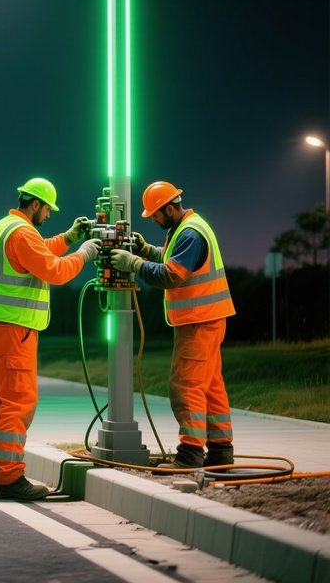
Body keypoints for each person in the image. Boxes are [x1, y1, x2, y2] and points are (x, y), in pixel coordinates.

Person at [0, 177, 100, 501]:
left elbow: (39, 251)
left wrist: (69, 238)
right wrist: (85, 253)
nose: (48, 215)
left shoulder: (3, 227)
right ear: (35, 205)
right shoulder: (22, 233)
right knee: (18, 401)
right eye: (47, 210)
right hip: (17, 329)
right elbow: (54, 271)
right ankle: (10, 476)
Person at [110, 181, 236, 469]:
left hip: (198, 321)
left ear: (169, 208)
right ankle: (220, 451)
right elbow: (172, 259)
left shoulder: (190, 234)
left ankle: (190, 454)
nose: (153, 219)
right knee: (210, 385)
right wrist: (147, 251)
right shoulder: (186, 228)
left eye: (154, 214)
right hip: (208, 319)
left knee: (186, 385)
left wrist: (133, 263)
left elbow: (171, 275)